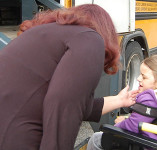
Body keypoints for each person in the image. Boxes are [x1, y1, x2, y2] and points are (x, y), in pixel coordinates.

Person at [0, 4, 139, 150]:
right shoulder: (90, 38)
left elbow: (79, 106)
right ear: (105, 31)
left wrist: (119, 100)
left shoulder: (41, 36)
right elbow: (63, 104)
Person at [87, 54, 157, 150]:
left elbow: (132, 126)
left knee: (96, 139)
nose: (138, 79)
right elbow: (146, 119)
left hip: (148, 145)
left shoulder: (149, 99)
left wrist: (119, 124)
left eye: (144, 77)